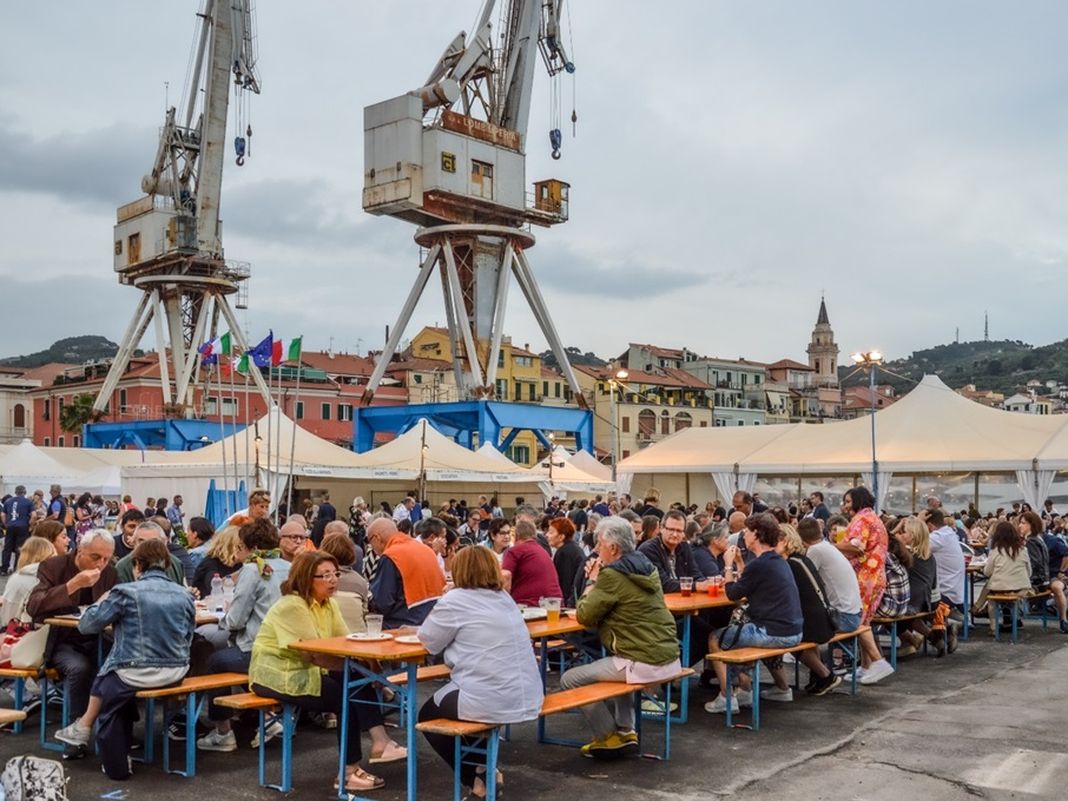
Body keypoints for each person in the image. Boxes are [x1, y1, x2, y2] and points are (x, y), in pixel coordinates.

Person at [250, 551, 405, 793]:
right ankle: (352, 768)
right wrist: (360, 666)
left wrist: (365, 663)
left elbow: (344, 643)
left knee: (352, 679)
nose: (333, 580)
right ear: (305, 578)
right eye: (325, 575)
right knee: (346, 693)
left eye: (335, 574)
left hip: (309, 670)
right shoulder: (292, 605)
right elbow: (311, 654)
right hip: (278, 674)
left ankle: (377, 745)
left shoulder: (328, 603)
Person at [57, 540, 195, 778]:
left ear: (137, 565)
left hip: (135, 670)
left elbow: (87, 625)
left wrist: (101, 601)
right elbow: (189, 634)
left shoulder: (126, 592)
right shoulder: (184, 594)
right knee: (112, 682)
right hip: (177, 670)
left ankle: (112, 760)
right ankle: (82, 728)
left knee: (109, 687)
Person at [417, 546, 543, 798]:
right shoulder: (504, 598)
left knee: (429, 715)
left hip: (489, 694)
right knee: (466, 712)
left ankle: (477, 778)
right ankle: (483, 771)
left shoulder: (455, 600)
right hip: (527, 692)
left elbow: (429, 641)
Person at [560, 516, 680, 756]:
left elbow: (584, 615)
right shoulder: (646, 567)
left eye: (600, 544)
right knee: (617, 662)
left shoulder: (610, 576)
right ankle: (626, 729)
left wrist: (593, 581)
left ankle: (609, 736)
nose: (596, 549)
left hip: (643, 659)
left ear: (613, 548)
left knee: (569, 679)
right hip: (668, 655)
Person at [197, 517, 290, 752]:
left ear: (250, 547)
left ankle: (223, 732)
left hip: (257, 650)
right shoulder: (289, 566)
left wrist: (225, 618)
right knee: (230, 659)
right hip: (287, 648)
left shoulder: (253, 570)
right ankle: (268, 717)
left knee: (214, 661)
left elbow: (236, 620)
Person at [705, 513, 803, 714]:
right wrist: (741, 564)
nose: (744, 535)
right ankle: (746, 691)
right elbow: (748, 584)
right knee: (742, 635)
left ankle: (726, 698)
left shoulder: (760, 564)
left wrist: (728, 564)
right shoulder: (776, 561)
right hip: (792, 630)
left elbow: (733, 594)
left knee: (715, 638)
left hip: (774, 632)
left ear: (756, 534)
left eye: (747, 531)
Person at [27, 529, 118, 736]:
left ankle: (117, 732)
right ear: (79, 551)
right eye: (95, 557)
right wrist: (73, 584)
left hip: (96, 637)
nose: (100, 564)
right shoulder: (53, 567)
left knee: (119, 664)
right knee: (80, 668)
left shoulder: (110, 573)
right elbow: (34, 606)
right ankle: (75, 731)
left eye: (106, 558)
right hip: (60, 640)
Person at [833, 487, 894, 685]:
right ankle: (867, 666)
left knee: (858, 620)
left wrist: (830, 546)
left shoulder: (862, 519)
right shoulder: (873, 518)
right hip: (875, 575)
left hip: (865, 576)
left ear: (858, 501)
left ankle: (878, 662)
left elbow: (856, 547)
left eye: (848, 501)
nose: (845, 506)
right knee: (864, 621)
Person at [778, 525, 842, 697]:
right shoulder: (802, 560)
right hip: (822, 618)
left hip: (814, 622)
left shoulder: (789, 564)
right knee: (799, 633)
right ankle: (818, 677)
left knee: (789, 640)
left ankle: (826, 675)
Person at [367, 518, 445, 629]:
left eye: (370, 542)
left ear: (377, 538)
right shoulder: (426, 550)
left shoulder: (391, 556)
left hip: (403, 627)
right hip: (432, 623)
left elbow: (383, 604)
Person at [798, 518, 863, 632]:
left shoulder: (815, 550)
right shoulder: (827, 546)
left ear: (801, 539)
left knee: (798, 625)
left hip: (844, 617)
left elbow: (804, 580)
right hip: (854, 614)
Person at [974, 521, 1032, 635]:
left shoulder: (996, 551)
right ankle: (977, 607)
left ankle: (991, 626)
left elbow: (987, 572)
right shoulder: (1023, 550)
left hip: (1001, 587)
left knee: (991, 597)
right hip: (1021, 587)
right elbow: (1029, 572)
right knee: (990, 585)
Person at [1018, 510, 1068, 632]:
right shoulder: (1034, 540)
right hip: (1045, 576)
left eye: (1023, 523)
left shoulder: (1048, 541)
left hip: (1053, 575)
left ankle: (1063, 619)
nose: (1019, 525)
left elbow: (1066, 554)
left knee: (1057, 588)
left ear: (1032, 525)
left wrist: (1061, 572)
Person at [638, 509, 706, 593]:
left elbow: (695, 574)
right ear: (661, 528)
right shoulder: (648, 549)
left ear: (684, 533)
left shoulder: (684, 547)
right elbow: (663, 584)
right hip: (659, 602)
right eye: (671, 529)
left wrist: (706, 583)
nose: (675, 534)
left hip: (683, 600)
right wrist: (696, 586)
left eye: (679, 531)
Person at [502, 520, 562, 607]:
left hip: (530, 605)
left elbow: (505, 576)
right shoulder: (542, 551)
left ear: (516, 536)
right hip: (555, 604)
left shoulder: (515, 551)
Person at [0, 536, 56, 626]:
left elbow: (8, 614)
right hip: (47, 631)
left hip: (19, 630)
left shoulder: (17, 578)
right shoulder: (54, 577)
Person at [321, 532, 370, 632]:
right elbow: (365, 613)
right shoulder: (360, 581)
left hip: (328, 638)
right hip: (358, 636)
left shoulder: (318, 578)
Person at [115, 520, 185, 585]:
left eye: (153, 542)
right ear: (133, 543)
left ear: (164, 542)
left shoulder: (175, 564)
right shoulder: (123, 567)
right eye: (141, 542)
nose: (147, 547)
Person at [190, 526, 245, 599]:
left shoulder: (238, 564)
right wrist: (243, 572)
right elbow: (215, 588)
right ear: (236, 547)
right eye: (246, 547)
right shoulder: (210, 563)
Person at [548, 517, 585, 607]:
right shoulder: (574, 549)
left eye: (551, 532)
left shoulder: (564, 553)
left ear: (561, 537)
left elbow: (565, 583)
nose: (547, 535)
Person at [1, 485, 35, 576]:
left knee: (7, 548)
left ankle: (4, 569)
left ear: (15, 492)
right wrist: (30, 526)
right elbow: (34, 515)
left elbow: (3, 515)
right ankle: (17, 568)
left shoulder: (8, 501)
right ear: (25, 492)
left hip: (11, 526)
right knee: (20, 548)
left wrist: (6, 524)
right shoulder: (28, 502)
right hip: (23, 527)